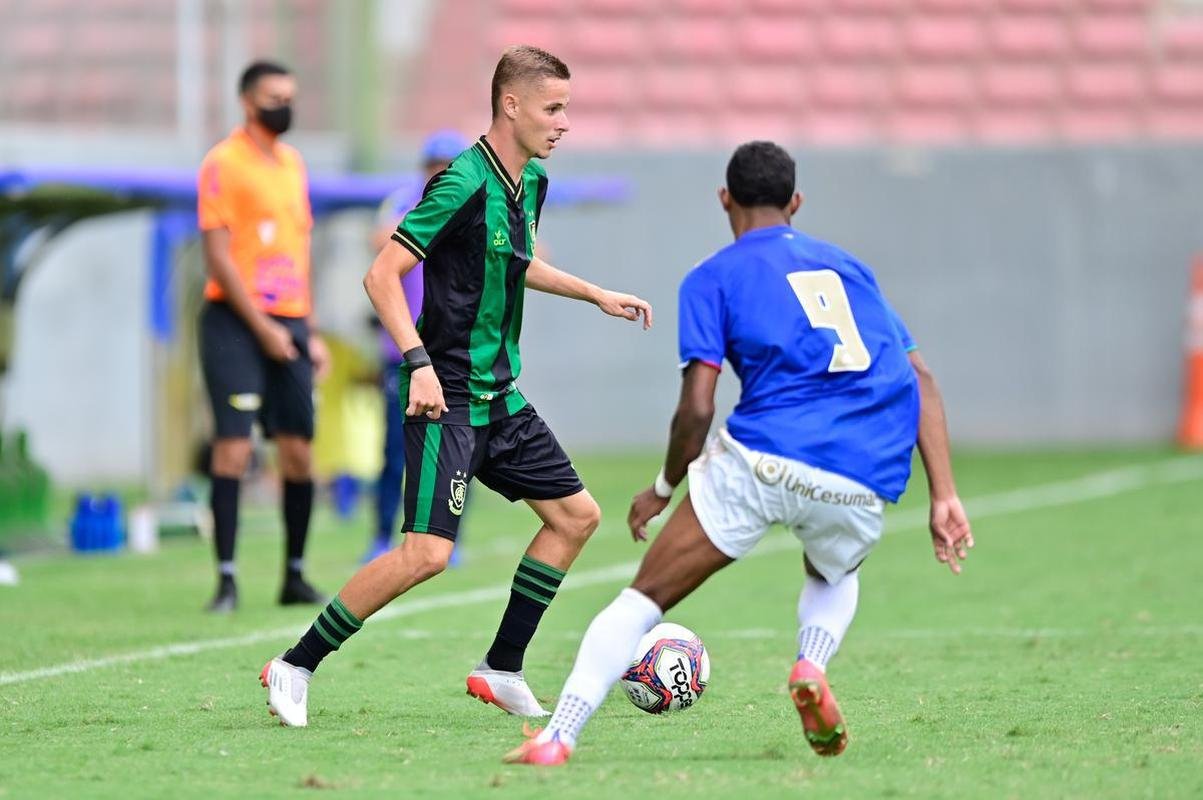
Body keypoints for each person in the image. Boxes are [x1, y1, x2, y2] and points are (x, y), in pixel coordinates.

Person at [504, 141, 975, 766]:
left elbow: (698, 407)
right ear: (796, 203)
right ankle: (811, 664)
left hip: (763, 458)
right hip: (862, 468)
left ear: (724, 199)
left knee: (641, 600)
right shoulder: (849, 269)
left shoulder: (712, 276)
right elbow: (922, 379)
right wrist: (944, 494)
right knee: (836, 574)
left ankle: (558, 736)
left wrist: (664, 487)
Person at [259, 45, 653, 727]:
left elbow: (516, 262)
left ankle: (501, 667)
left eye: (566, 109)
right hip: (448, 396)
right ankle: (294, 664)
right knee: (427, 554)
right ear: (511, 104)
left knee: (576, 517)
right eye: (554, 108)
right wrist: (418, 364)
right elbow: (381, 275)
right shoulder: (460, 183)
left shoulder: (531, 182)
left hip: (500, 396)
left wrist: (595, 293)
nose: (564, 123)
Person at [197, 60, 329, 613]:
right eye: (276, 97)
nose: (285, 106)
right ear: (248, 101)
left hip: (291, 322)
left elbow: (298, 252)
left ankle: (293, 576)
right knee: (233, 448)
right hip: (235, 321)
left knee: (298, 453)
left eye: (290, 96)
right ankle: (226, 581)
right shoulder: (222, 163)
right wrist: (263, 328)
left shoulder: (293, 163)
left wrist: (308, 330)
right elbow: (218, 256)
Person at [363, 130, 470, 564]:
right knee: (394, 451)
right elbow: (379, 240)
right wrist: (433, 220)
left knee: (457, 453)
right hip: (404, 354)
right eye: (433, 165)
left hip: (454, 353)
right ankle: (380, 535)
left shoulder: (473, 202)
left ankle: (449, 537)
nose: (439, 172)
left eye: (447, 165)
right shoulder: (406, 201)